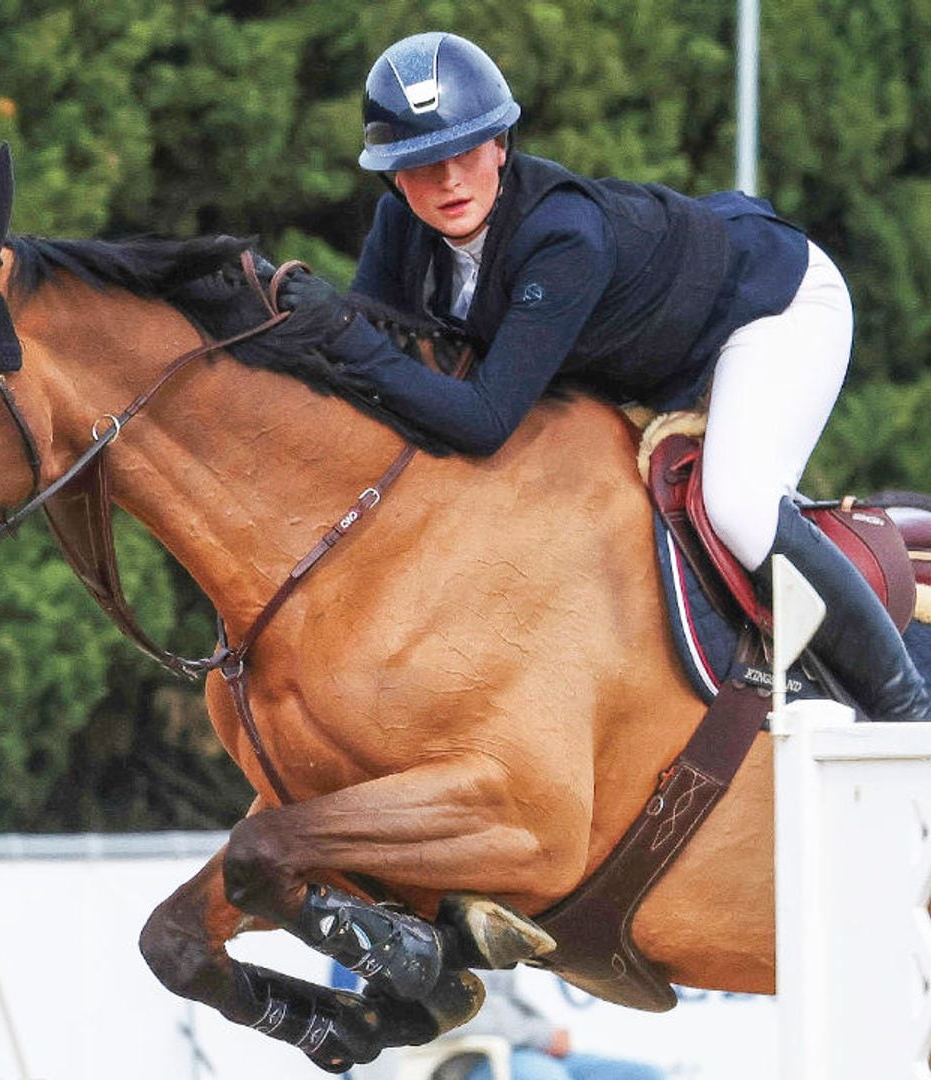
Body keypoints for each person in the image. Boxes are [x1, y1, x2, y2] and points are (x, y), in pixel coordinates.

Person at [278, 30, 931, 722]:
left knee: (739, 504)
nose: (449, 181)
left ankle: (907, 709)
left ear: (500, 145)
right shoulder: (400, 228)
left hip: (772, 304)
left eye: (465, 152)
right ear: (391, 176)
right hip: (664, 331)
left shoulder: (562, 236)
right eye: (421, 163)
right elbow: (377, 372)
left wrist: (341, 329)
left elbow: (482, 419)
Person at [430, 969, 666, 1080]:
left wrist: (544, 1035)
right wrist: (543, 1036)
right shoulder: (421, 940)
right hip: (470, 1061)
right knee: (547, 1076)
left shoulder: (480, 926)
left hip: (529, 1050)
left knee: (643, 1075)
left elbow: (510, 1000)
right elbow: (461, 1016)